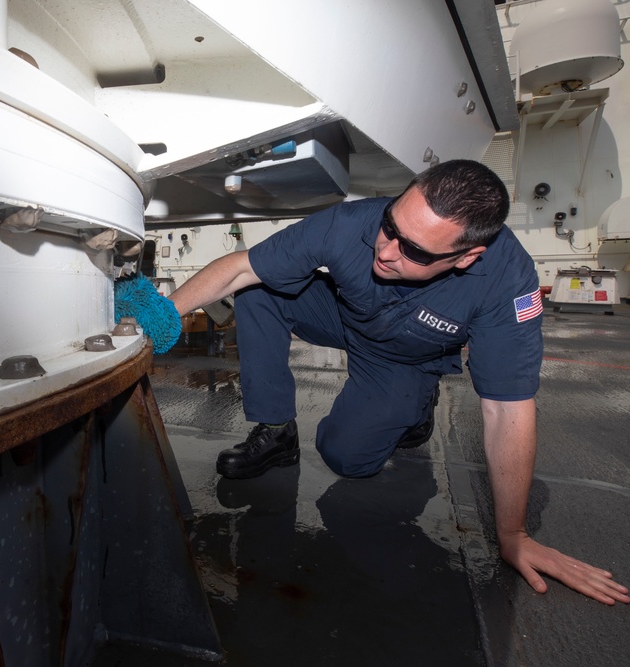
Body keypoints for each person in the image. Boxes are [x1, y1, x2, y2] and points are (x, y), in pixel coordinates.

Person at [168, 159, 629, 606]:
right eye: (391, 227)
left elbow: (507, 409)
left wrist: (514, 536)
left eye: (415, 251)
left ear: (467, 257)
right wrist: (159, 320)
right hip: (346, 317)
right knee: (258, 288)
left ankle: (415, 403)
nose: (385, 252)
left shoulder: (505, 280)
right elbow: (241, 266)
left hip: (409, 355)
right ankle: (275, 430)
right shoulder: (353, 224)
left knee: (345, 456)